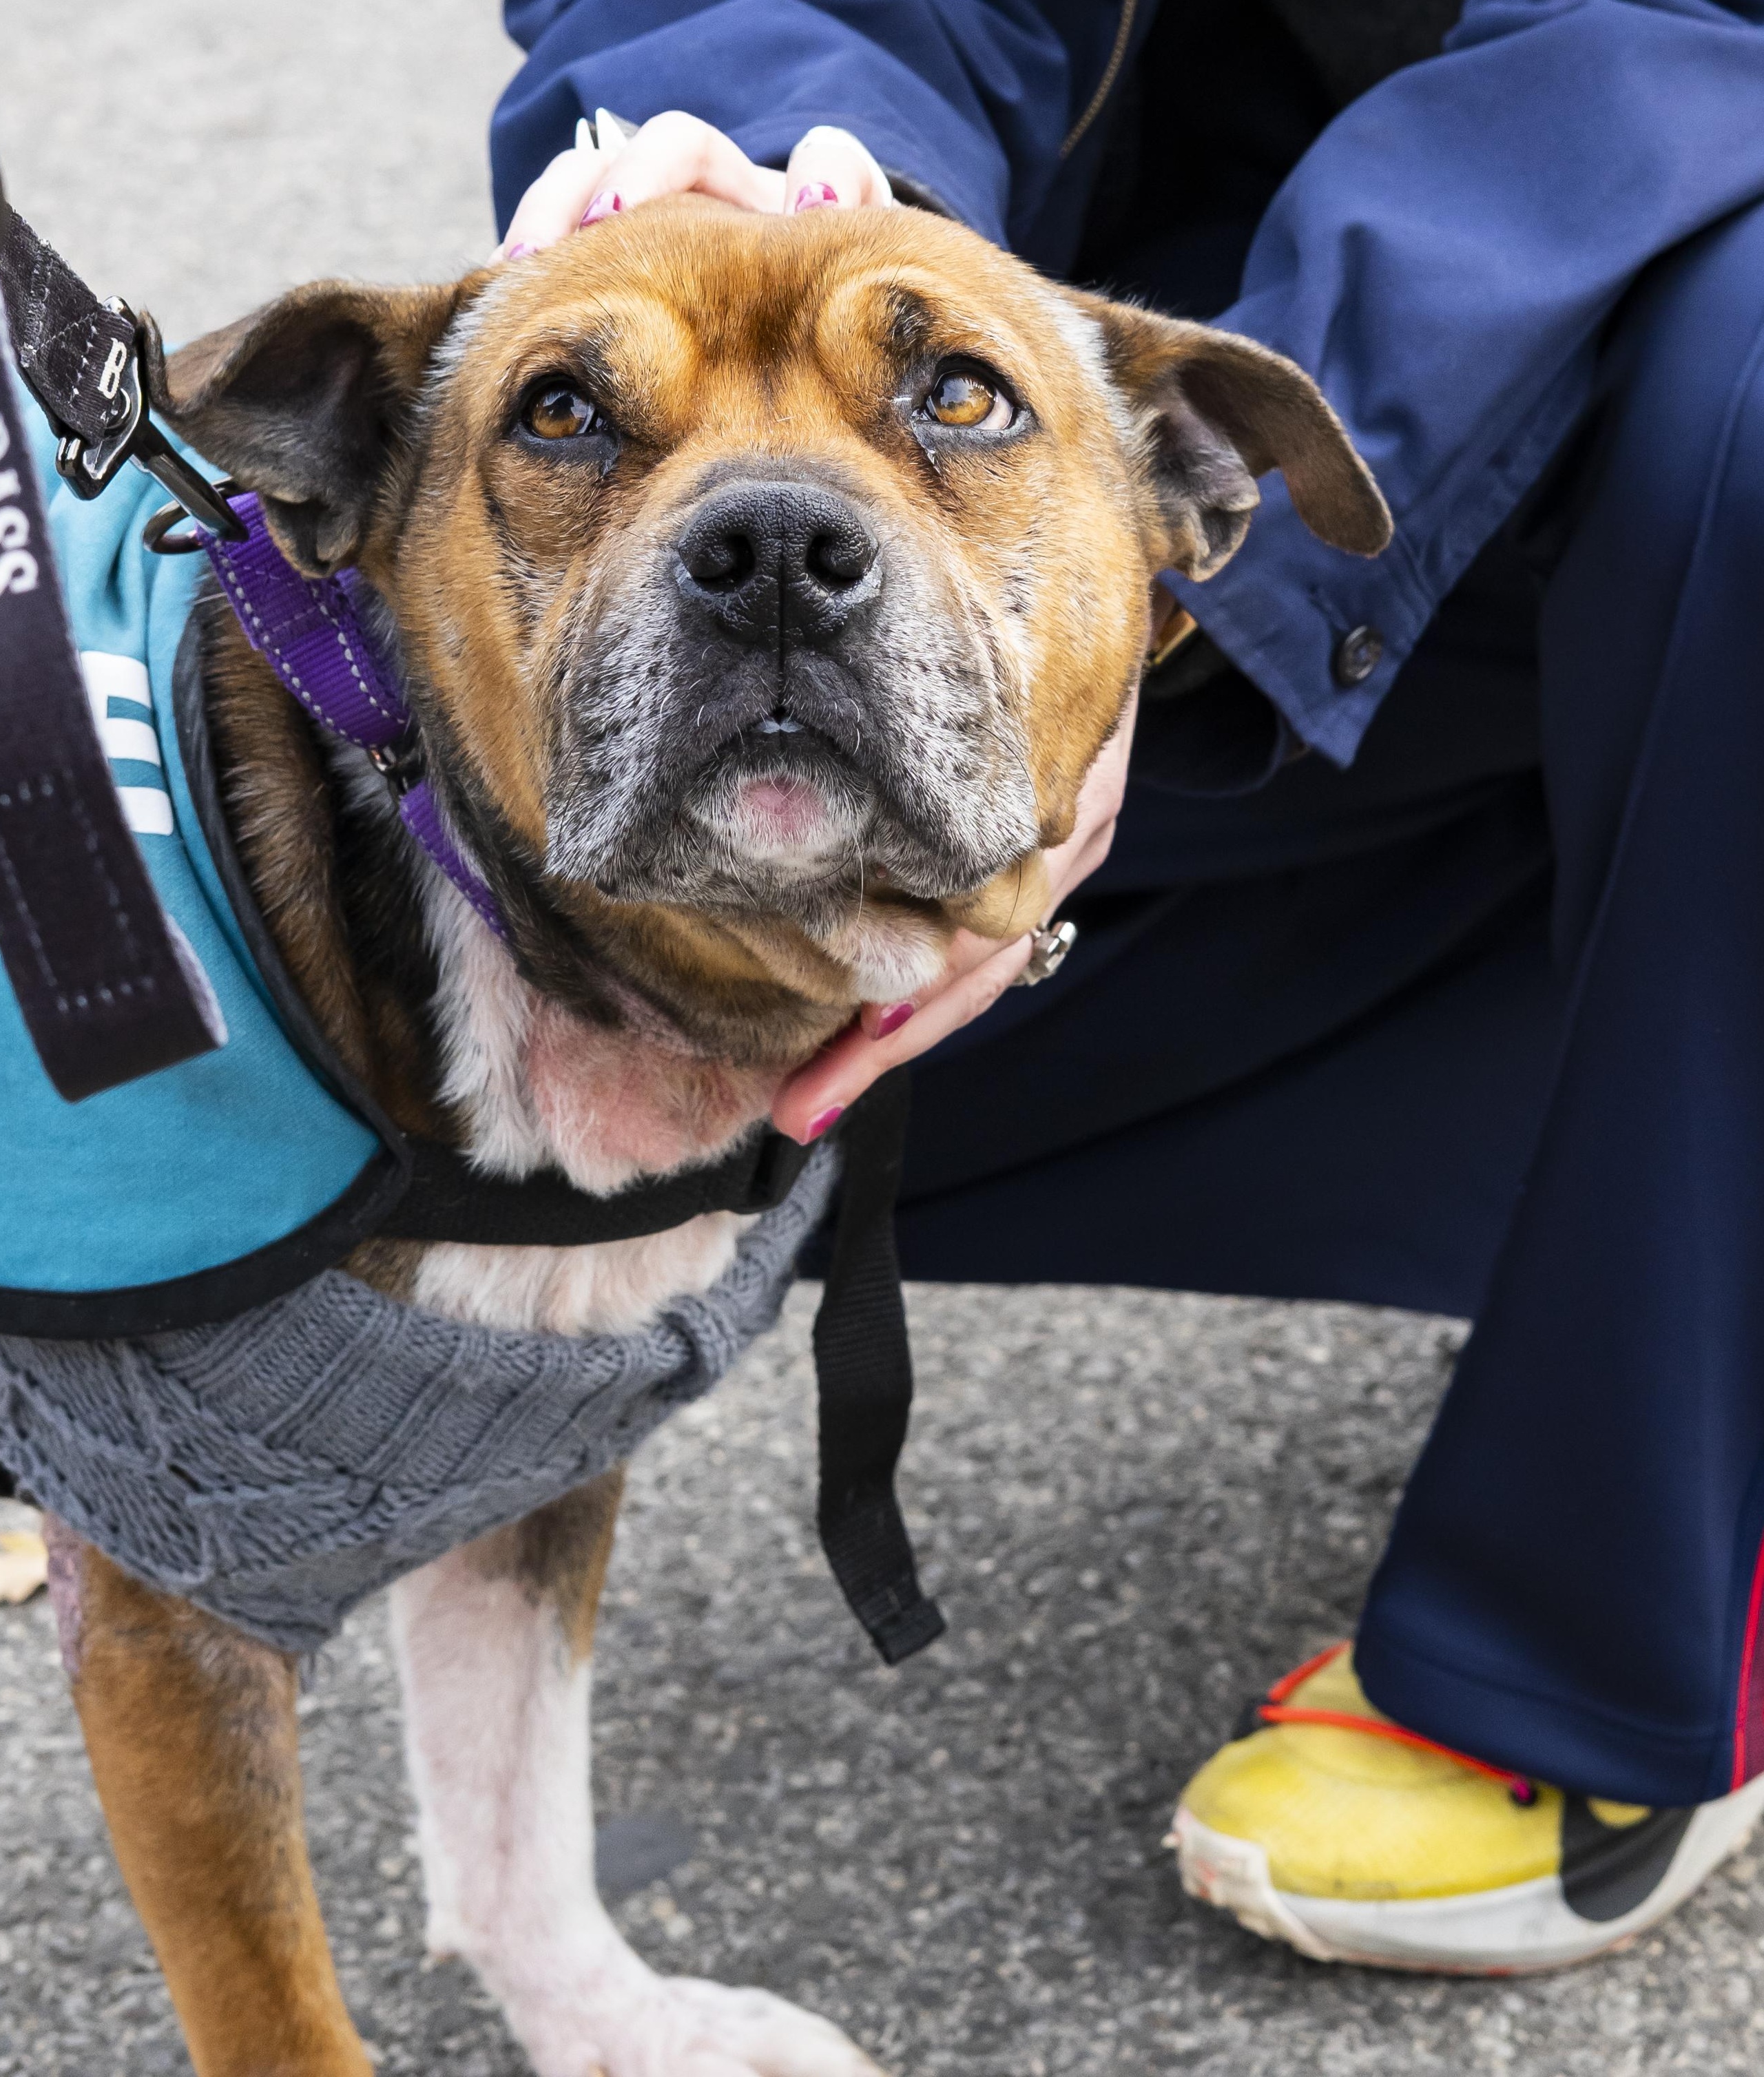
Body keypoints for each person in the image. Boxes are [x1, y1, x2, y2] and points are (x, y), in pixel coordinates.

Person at [487, 0, 1764, 1971]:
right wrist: (803, 202)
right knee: (641, 1036)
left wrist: (1154, 543)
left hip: (1540, 374)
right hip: (1211, 361)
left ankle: (1622, 1617)